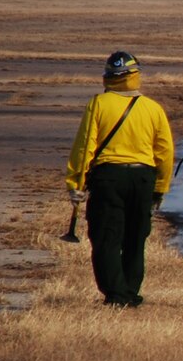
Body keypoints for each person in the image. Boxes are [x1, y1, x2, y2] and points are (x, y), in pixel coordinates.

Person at [64, 51, 175, 306]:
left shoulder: (98, 104)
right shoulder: (153, 108)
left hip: (108, 178)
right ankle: (130, 291)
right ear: (136, 76)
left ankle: (116, 294)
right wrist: (160, 189)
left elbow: (85, 147)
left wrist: (76, 183)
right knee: (136, 238)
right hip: (143, 178)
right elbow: (165, 152)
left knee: (106, 237)